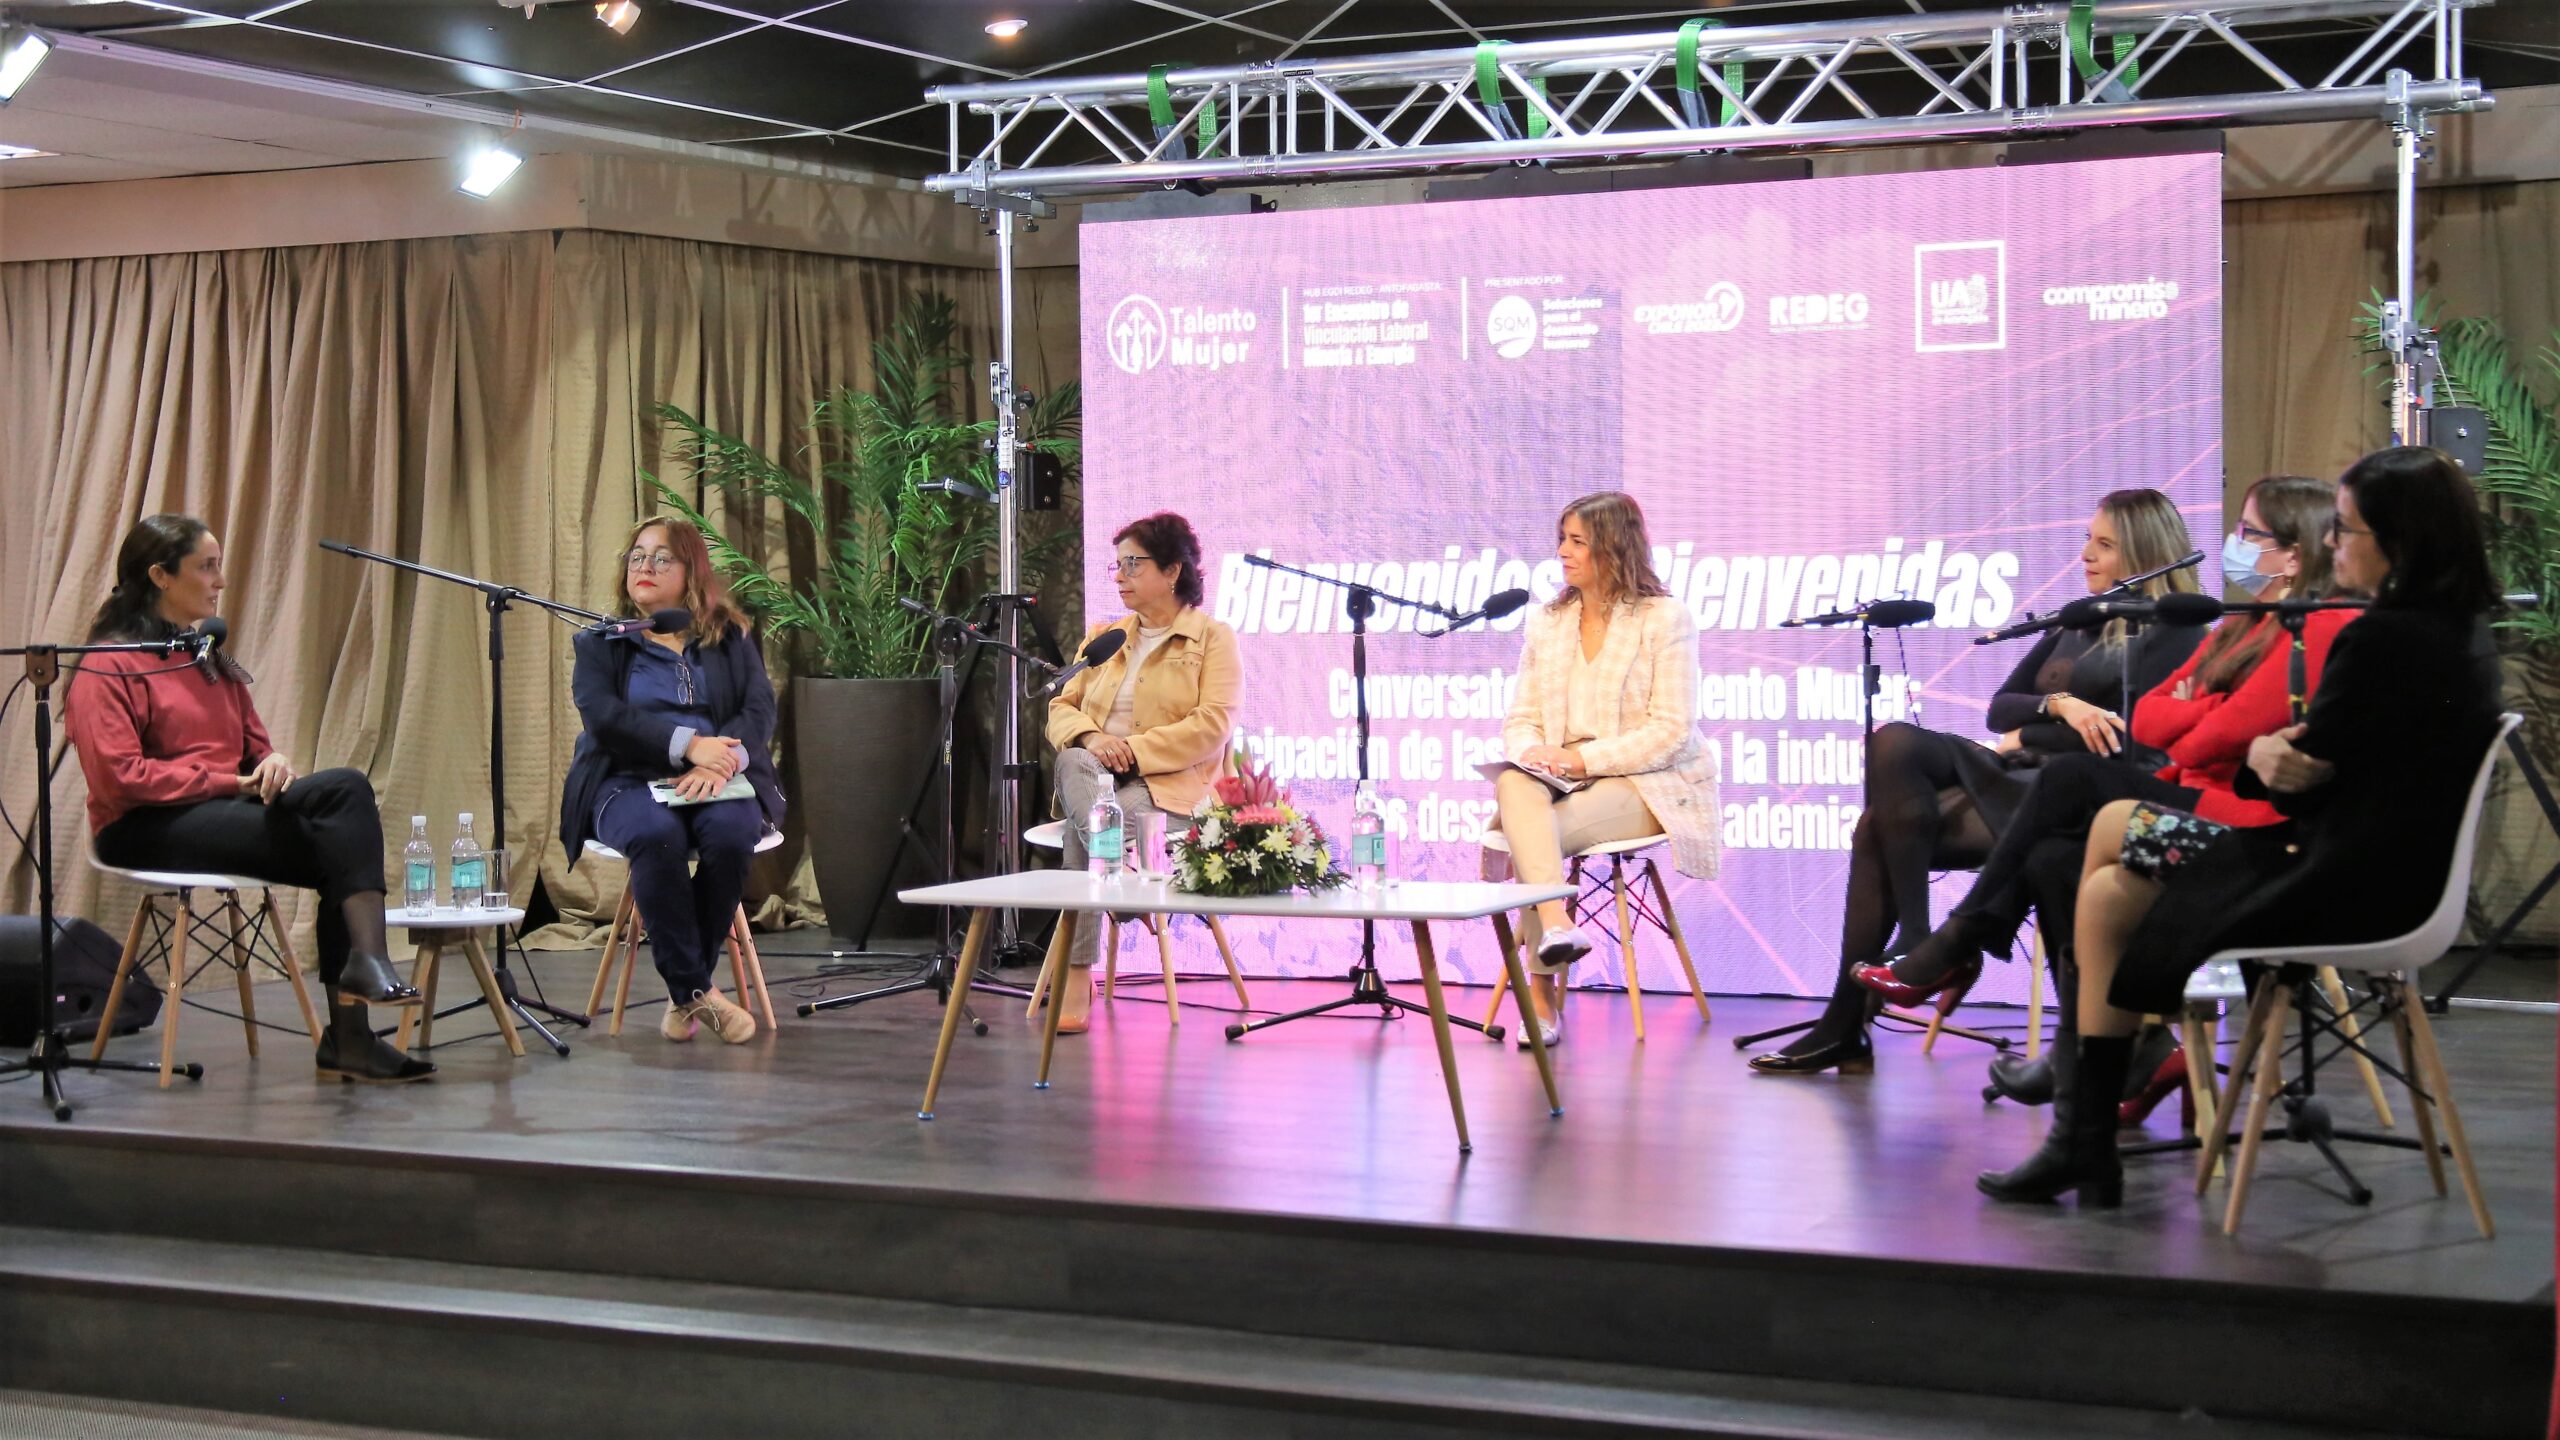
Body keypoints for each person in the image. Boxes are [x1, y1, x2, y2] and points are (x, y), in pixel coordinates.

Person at [1983, 447, 2505, 1207]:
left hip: (2332, 873)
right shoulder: (2459, 632)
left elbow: (2288, 772)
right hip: (2373, 868)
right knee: (2102, 888)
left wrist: (2268, 753)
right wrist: (2277, 755)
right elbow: (2300, 755)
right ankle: (2086, 1130)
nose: (2334, 545)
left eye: (2347, 530)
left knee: (2108, 827)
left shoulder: (2381, 638)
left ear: (2398, 540)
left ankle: (2084, 1137)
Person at [1859, 477, 2347, 1111]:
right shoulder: (2238, 628)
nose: (2233, 545)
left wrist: (2189, 716)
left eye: (2250, 535)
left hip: (2232, 829)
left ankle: (1962, 949)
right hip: (2179, 800)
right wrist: (2068, 708)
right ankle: (2106, 1053)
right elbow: (2153, 718)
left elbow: (2182, 734)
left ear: (2293, 555)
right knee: (2045, 851)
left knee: (2069, 784)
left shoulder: (2300, 630)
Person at [1750, 489, 2206, 1076]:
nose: (2086, 554)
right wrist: (2059, 707)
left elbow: (2124, 741)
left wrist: (2030, 736)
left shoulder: (2174, 632)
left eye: (2104, 544)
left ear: (2145, 553)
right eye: (2087, 538)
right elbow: (2001, 709)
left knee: (1873, 829)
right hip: (2015, 776)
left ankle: (1848, 1021)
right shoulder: (2077, 620)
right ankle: (1916, 938)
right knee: (1894, 741)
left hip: (2069, 797)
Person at [68, 515, 432, 1084]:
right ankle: (355, 1026)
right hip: (142, 825)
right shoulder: (110, 662)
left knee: (346, 791)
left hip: (221, 809)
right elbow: (120, 778)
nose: (220, 581)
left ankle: (364, 982)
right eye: (206, 567)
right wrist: (228, 784)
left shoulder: (206, 655)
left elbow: (255, 752)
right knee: (340, 852)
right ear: (160, 575)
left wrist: (273, 764)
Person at [1487, 491, 1720, 1050]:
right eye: (1561, 539)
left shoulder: (1665, 619)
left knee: (1531, 839)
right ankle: (1558, 926)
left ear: (1613, 548)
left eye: (1577, 542)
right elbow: (1521, 718)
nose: (1563, 552)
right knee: (1515, 781)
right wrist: (1533, 754)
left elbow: (1671, 731)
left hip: (1647, 782)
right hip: (1561, 778)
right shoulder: (1549, 621)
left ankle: (1542, 1001)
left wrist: (1583, 759)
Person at [562, 518, 784, 1045]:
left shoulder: (730, 637)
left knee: (732, 835)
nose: (645, 567)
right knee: (655, 835)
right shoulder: (603, 643)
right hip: (626, 781)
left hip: (718, 779)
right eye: (637, 556)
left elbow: (758, 709)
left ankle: (685, 993)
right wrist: (688, 745)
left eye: (662, 558)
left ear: (691, 572)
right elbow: (605, 719)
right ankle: (696, 992)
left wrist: (720, 759)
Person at [1044, 512, 1242, 1034]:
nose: (1119, 576)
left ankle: (1077, 974)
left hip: (1167, 790)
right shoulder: (1104, 637)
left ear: (1173, 570)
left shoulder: (1212, 639)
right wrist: (1092, 738)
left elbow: (1212, 725)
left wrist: (1130, 750)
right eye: (1117, 565)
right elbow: (1062, 706)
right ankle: (1122, 881)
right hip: (1094, 780)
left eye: (1133, 564)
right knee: (1071, 757)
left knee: (1082, 838)